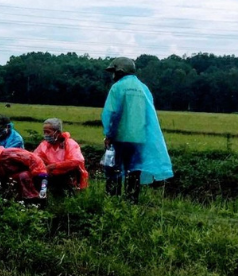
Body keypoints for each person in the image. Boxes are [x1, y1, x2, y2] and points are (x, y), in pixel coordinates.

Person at [102, 57, 173, 203]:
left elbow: (113, 113)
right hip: (139, 138)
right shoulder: (143, 88)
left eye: (114, 71)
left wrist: (109, 135)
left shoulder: (118, 87)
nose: (113, 75)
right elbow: (148, 115)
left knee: (114, 169)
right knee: (134, 170)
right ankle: (131, 200)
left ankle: (112, 200)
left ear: (120, 71)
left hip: (120, 137)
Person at [33, 118, 88, 193]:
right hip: (50, 174)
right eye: (44, 132)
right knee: (40, 176)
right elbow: (35, 157)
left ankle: (69, 195)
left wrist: (54, 166)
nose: (46, 135)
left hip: (67, 175)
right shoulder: (44, 145)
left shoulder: (70, 144)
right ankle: (42, 198)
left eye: (48, 132)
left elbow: (77, 161)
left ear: (58, 133)